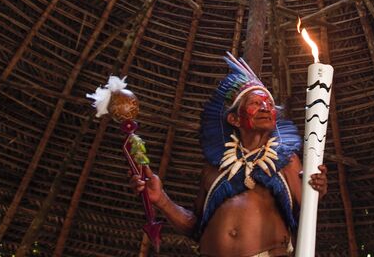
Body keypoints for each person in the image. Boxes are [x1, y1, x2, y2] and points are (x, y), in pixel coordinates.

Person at [129, 53, 328, 257]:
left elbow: (306, 214)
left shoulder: (287, 160)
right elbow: (195, 227)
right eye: (255, 103)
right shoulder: (213, 168)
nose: (265, 108)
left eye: (269, 104)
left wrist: (316, 191)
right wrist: (161, 199)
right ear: (234, 119)